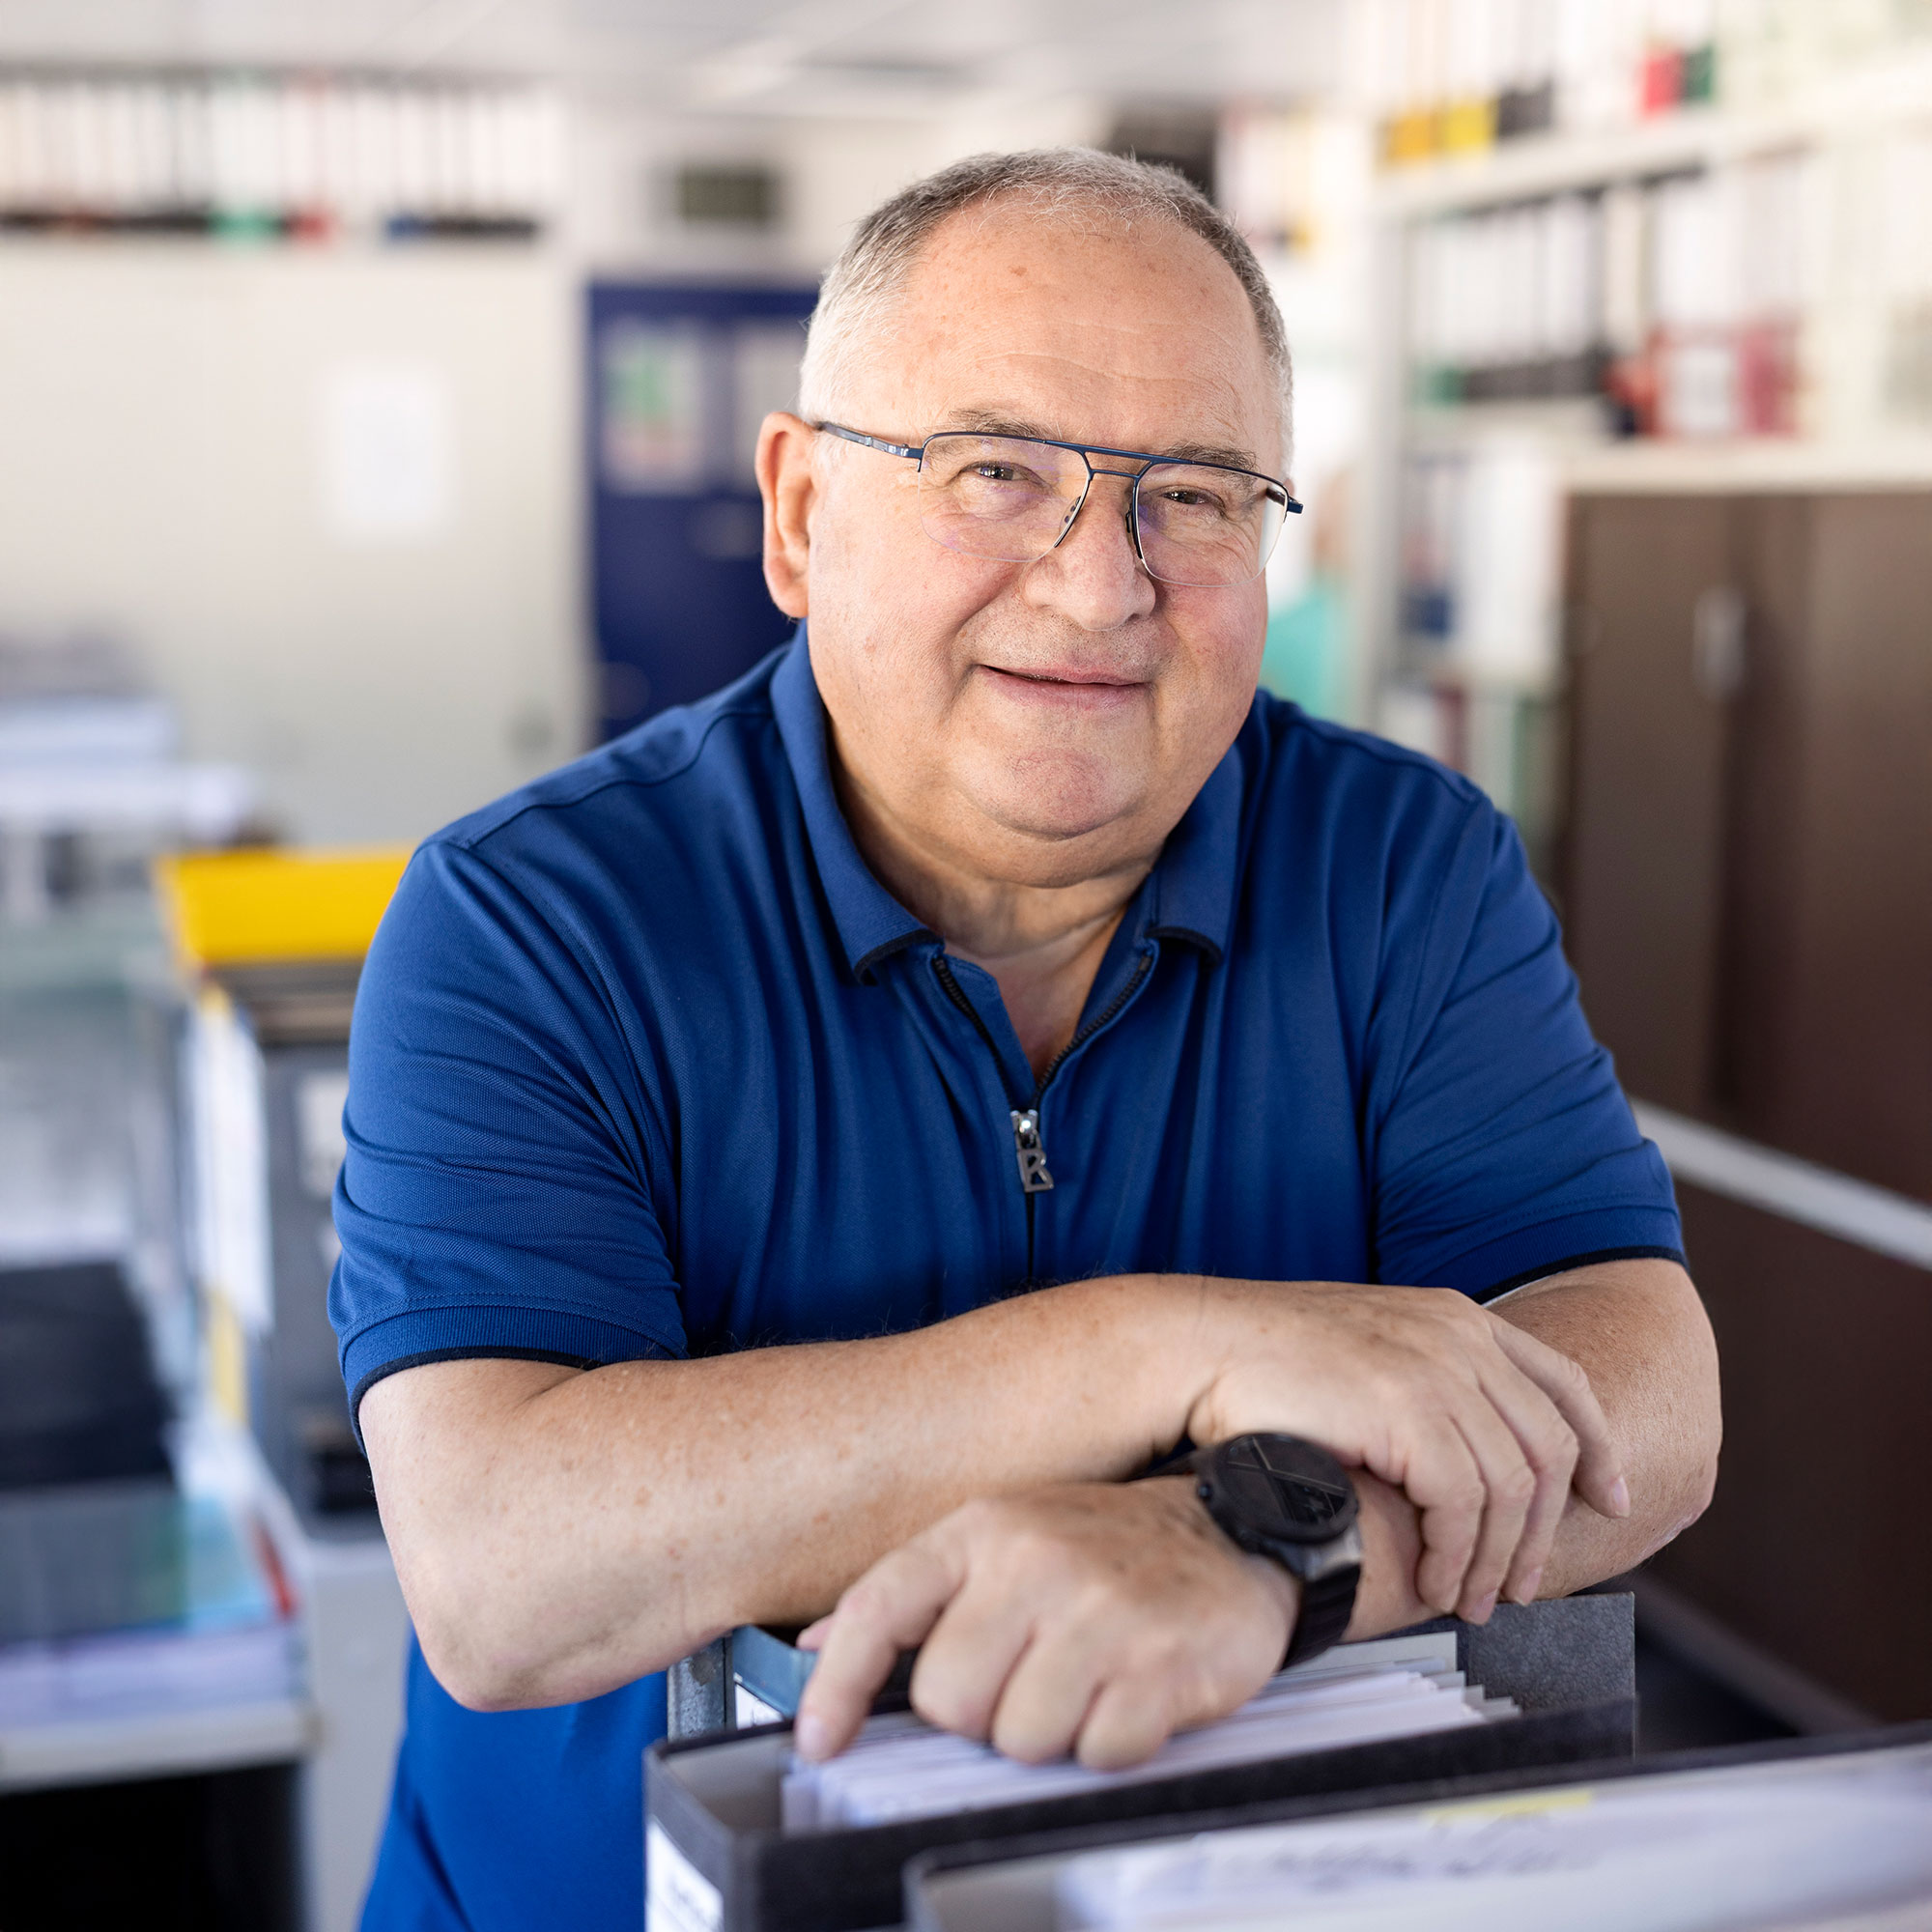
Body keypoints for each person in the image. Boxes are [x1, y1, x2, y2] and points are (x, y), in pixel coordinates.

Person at [331, 148, 1720, 1932]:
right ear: (799, 513)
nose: (1099, 586)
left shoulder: (1398, 868)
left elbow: (1639, 1396)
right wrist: (1165, 1351)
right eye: (997, 472)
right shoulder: (532, 920)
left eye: (1194, 496)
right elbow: (503, 1573)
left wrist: (1258, 1542)